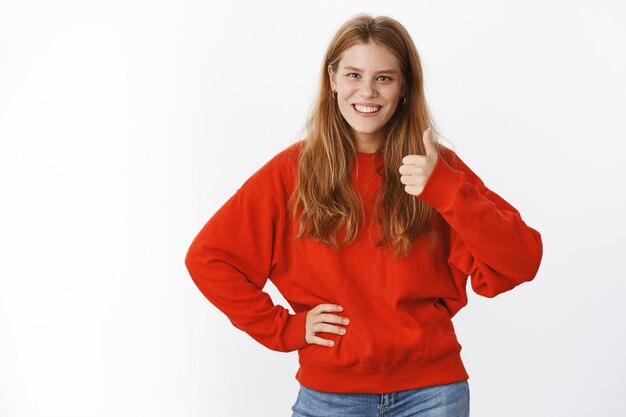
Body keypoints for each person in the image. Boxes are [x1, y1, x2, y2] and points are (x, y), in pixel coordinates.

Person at [185, 14, 542, 417]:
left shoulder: (435, 169)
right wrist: (284, 328)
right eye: (354, 74)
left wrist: (445, 188)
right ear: (332, 79)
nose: (367, 91)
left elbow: (522, 260)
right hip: (330, 397)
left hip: (433, 393)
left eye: (384, 78)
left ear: (405, 86)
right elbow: (209, 258)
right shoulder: (291, 172)